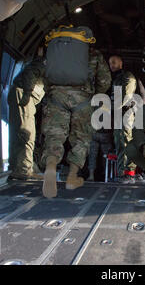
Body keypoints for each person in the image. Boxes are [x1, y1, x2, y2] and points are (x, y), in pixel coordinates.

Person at [41, 45, 111, 198]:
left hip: (56, 95)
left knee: (55, 134)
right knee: (82, 138)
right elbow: (105, 80)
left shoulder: (56, 50)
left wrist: (52, 91)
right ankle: (72, 176)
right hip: (83, 99)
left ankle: (51, 165)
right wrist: (95, 94)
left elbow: (44, 73)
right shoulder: (94, 53)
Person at [8, 46, 46, 179]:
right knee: (26, 133)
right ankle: (24, 169)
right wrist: (28, 93)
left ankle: (18, 166)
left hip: (21, 94)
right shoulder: (45, 62)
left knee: (19, 133)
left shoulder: (44, 61)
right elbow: (31, 72)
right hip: (23, 94)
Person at [108, 55, 137, 184]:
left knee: (125, 141)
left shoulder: (127, 76)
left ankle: (128, 173)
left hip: (125, 113)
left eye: (114, 62)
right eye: (110, 63)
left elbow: (126, 96)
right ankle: (122, 173)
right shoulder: (113, 79)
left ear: (121, 63)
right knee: (119, 142)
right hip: (119, 114)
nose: (111, 65)